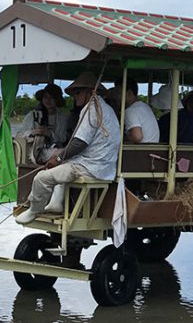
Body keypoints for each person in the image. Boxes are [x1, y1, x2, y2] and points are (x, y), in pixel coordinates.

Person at [15, 71, 121, 224]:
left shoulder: (91, 109)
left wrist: (57, 158)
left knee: (41, 178)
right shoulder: (105, 109)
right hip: (103, 166)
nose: (75, 97)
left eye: (78, 93)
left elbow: (79, 143)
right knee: (62, 165)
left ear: (90, 92)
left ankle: (34, 210)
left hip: (91, 166)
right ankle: (56, 203)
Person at [18, 83, 72, 163]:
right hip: (33, 152)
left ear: (57, 100)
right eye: (45, 97)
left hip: (55, 149)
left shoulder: (63, 117)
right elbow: (20, 135)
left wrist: (50, 134)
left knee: (67, 152)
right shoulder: (32, 115)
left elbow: (63, 138)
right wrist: (33, 133)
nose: (48, 100)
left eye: (52, 98)